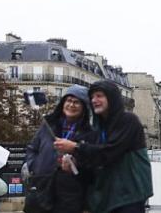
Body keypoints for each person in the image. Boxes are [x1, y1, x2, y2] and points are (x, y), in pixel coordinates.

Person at [54, 80, 152, 213]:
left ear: (112, 98)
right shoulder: (97, 129)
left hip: (129, 197)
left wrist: (75, 147)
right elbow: (95, 165)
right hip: (107, 199)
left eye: (99, 96)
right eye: (92, 97)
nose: (94, 100)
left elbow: (109, 153)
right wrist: (74, 166)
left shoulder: (129, 121)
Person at [25, 85, 94, 213]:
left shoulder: (89, 133)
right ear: (63, 103)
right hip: (42, 187)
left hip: (70, 194)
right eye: (68, 100)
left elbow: (92, 163)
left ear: (84, 107)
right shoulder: (48, 125)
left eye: (76, 102)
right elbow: (32, 149)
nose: (71, 105)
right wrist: (35, 166)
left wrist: (76, 162)